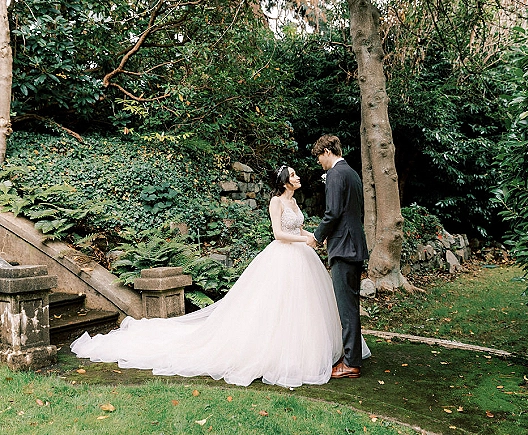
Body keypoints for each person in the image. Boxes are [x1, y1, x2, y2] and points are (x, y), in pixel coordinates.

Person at [71, 165, 369, 388]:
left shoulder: (294, 203)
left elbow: (297, 229)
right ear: (284, 181)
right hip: (283, 257)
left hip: (302, 257)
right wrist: (307, 241)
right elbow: (279, 234)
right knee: (276, 306)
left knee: (304, 307)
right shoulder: (277, 202)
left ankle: (312, 351)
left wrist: (313, 237)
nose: (298, 177)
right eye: (293, 174)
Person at [307, 134, 369, 379]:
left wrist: (317, 237)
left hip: (343, 248)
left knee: (346, 308)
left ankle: (351, 363)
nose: (320, 163)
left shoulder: (334, 174)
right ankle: (351, 355)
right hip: (355, 246)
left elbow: (332, 213)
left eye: (319, 157)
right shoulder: (352, 173)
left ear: (327, 151)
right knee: (351, 305)